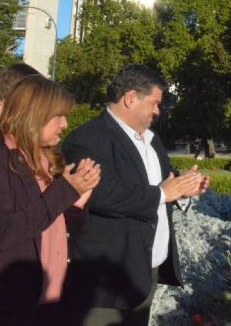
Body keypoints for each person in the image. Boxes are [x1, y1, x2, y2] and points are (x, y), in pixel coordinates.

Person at [61, 64, 209, 326]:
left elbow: (166, 185)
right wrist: (162, 193)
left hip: (145, 270)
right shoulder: (87, 139)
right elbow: (102, 194)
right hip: (107, 278)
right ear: (130, 98)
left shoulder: (152, 140)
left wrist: (185, 188)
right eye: (154, 103)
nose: (157, 111)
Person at [0, 75, 100, 325]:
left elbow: (56, 225)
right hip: (13, 303)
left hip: (49, 297)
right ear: (34, 114)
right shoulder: (5, 159)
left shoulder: (47, 158)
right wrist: (66, 190)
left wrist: (76, 203)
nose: (65, 123)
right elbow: (6, 231)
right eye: (58, 116)